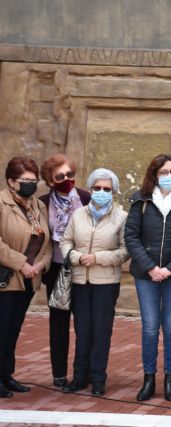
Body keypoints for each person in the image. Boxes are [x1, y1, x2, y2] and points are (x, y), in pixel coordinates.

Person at [124, 154, 171, 402]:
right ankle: (148, 379)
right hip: (146, 274)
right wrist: (150, 267)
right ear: (154, 174)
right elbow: (131, 236)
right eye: (164, 172)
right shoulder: (140, 199)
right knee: (149, 327)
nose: (169, 176)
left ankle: (170, 378)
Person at [59, 168, 129, 396]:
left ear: (114, 192)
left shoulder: (122, 217)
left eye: (106, 189)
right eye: (97, 188)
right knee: (82, 330)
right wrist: (75, 256)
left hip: (106, 283)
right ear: (90, 189)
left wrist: (97, 258)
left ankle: (98, 378)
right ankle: (80, 376)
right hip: (79, 281)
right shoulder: (78, 214)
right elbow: (65, 241)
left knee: (101, 331)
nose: (101, 192)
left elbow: (125, 251)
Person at [0, 157, 52, 398]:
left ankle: (6, 375)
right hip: (7, 277)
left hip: (29, 279)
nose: (31, 184)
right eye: (25, 180)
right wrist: (21, 264)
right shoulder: (1, 203)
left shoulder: (38, 206)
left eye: (34, 180)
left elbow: (47, 242)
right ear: (11, 181)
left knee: (13, 330)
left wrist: (41, 264)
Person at [39, 154, 91, 387]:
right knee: (59, 322)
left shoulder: (85, 198)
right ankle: (59, 373)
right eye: (60, 176)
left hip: (82, 266)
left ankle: (84, 371)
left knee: (84, 321)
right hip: (57, 269)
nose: (67, 179)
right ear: (50, 180)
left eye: (70, 174)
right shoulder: (42, 203)